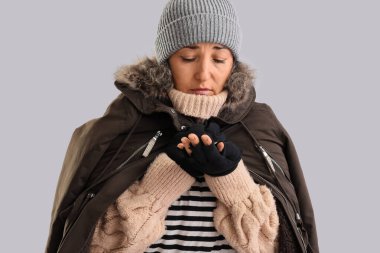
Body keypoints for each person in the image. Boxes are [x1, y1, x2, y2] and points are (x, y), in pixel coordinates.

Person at [46, 0, 319, 252]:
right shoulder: (122, 125)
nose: (203, 73)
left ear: (233, 63)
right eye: (188, 57)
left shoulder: (261, 128)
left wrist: (230, 178)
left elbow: (283, 245)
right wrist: (162, 182)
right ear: (165, 63)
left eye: (219, 59)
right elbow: (93, 245)